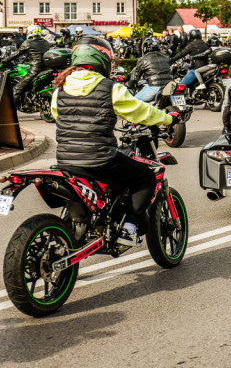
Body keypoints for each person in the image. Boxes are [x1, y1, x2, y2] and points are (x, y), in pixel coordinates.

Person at [51, 38, 177, 247]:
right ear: (103, 60)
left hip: (65, 160)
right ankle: (128, 227)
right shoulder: (110, 88)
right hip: (100, 160)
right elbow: (141, 111)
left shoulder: (60, 91)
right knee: (145, 177)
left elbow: (59, 116)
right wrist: (168, 118)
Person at [5, 25, 51, 105]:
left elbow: (17, 53)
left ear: (29, 32)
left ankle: (12, 112)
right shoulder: (45, 42)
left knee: (16, 89)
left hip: (34, 71)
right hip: (46, 69)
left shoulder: (28, 43)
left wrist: (4, 61)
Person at [128, 37, 174, 102]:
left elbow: (135, 77)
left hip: (155, 87)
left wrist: (129, 86)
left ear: (145, 48)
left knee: (133, 102)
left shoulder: (143, 60)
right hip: (170, 86)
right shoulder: (166, 57)